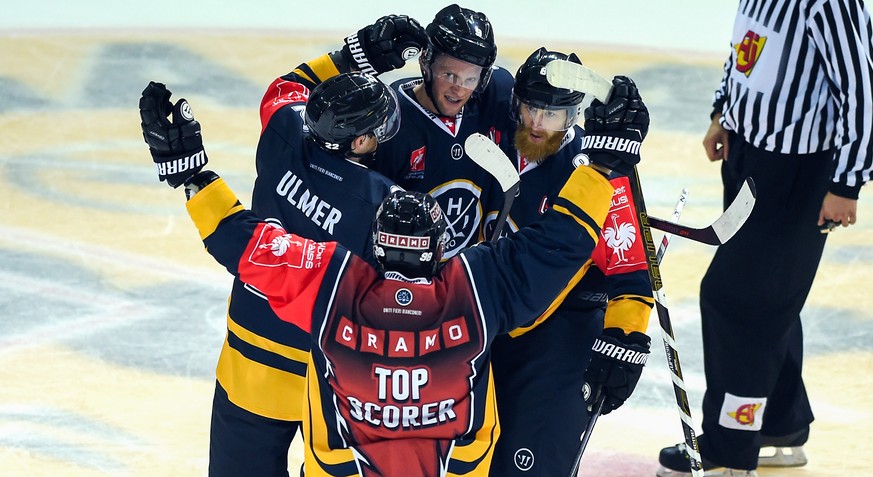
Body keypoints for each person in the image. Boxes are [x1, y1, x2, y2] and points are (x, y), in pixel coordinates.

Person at [139, 70, 650, 476]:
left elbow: (241, 241)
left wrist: (190, 172)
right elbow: (556, 248)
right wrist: (602, 169)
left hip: (264, 378)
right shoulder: (473, 289)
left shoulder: (332, 279)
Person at [140, 14, 428, 476]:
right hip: (331, 380)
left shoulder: (284, 130)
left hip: (249, 357)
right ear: (358, 140)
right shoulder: (385, 204)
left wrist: (193, 176)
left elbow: (288, 85)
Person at [657, 1, 873, 476]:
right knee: (770, 301)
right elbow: (745, 53)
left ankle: (729, 451)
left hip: (798, 175)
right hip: (750, 158)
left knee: (737, 300)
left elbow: (862, 89)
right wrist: (723, 113)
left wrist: (846, 184)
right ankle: (780, 426)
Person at [488, 48, 655, 476]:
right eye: (531, 108)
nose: (539, 123)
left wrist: (625, 339)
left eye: (553, 113)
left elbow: (631, 268)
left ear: (573, 115)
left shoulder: (594, 169)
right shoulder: (491, 141)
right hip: (489, 326)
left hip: (559, 335)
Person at [373, 4, 516, 258]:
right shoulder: (391, 122)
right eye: (449, 75)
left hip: (469, 275)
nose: (459, 89)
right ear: (425, 63)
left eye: (470, 79)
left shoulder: (494, 97)